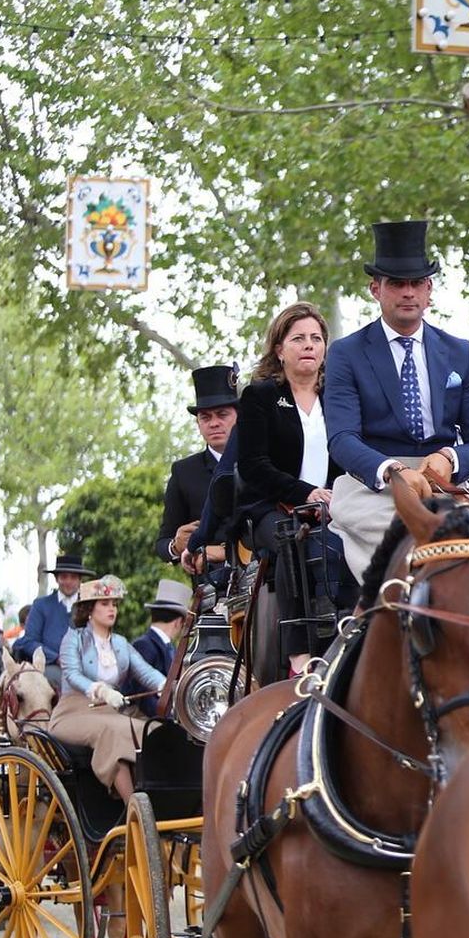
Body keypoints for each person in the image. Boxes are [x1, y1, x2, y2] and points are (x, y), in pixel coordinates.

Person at [325, 220, 469, 581]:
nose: (408, 292)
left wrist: (450, 458)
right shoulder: (346, 353)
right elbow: (341, 439)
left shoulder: (459, 352)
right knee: (418, 548)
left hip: (442, 487)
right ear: (375, 289)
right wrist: (392, 470)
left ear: (429, 289)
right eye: (396, 283)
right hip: (370, 487)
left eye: (416, 283)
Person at [232, 300, 355, 674]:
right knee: (292, 536)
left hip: (332, 503)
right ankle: (298, 654)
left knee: (361, 536)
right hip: (271, 508)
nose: (309, 346)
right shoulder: (260, 396)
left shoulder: (337, 398)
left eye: (316, 338)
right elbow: (253, 466)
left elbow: (350, 454)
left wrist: (332, 495)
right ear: (279, 349)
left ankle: (354, 634)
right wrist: (304, 493)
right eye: (298, 338)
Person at [50, 576, 167, 801]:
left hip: (111, 712)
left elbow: (145, 671)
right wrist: (102, 691)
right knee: (113, 731)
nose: (112, 609)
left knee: (153, 729)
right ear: (89, 610)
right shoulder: (73, 638)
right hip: (72, 713)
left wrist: (165, 685)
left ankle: (155, 799)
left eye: (114, 604)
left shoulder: (121, 643)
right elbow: (72, 674)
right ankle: (133, 807)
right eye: (104, 604)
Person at [156, 365, 240, 568]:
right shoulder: (184, 472)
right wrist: (176, 546)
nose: (214, 423)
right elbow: (162, 543)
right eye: (205, 417)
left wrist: (223, 552)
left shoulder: (261, 461)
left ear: (238, 416)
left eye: (222, 414)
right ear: (198, 424)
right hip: (211, 580)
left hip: (264, 572)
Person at [13, 553, 95, 689]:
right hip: (51, 667)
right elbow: (29, 641)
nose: (68, 581)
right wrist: (56, 658)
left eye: (73, 577)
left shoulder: (90, 606)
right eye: (64, 577)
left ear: (80, 579)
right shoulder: (41, 605)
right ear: (57, 578)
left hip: (85, 667)